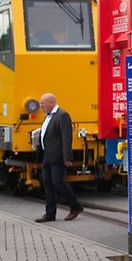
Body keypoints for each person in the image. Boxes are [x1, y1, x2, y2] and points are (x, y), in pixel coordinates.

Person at [34, 93, 83, 222]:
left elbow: (66, 138)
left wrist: (67, 157)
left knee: (58, 183)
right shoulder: (48, 116)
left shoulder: (62, 116)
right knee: (48, 184)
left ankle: (75, 206)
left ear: (51, 103)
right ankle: (50, 214)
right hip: (47, 156)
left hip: (58, 157)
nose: (41, 106)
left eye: (43, 103)